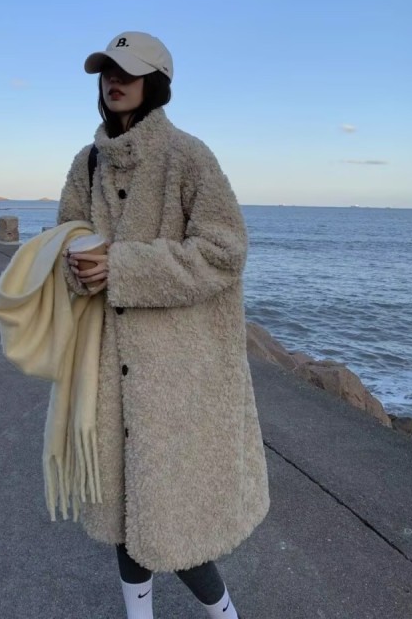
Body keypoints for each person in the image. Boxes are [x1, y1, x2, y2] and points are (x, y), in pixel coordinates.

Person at [57, 31, 270, 619]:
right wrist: (78, 270)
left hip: (178, 375)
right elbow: (66, 238)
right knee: (124, 514)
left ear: (156, 83)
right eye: (107, 70)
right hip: (106, 369)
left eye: (127, 71)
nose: (114, 80)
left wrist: (124, 266)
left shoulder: (188, 157)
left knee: (173, 524)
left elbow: (225, 250)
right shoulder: (87, 162)